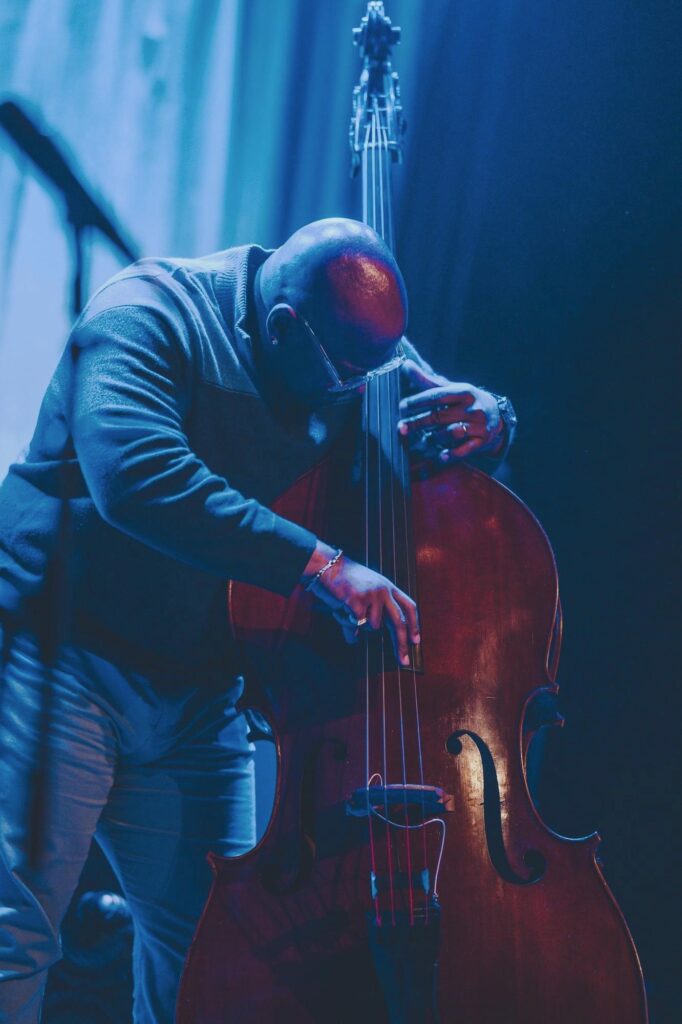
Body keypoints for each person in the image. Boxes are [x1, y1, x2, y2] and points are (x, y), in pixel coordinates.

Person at [0, 217, 515, 1023]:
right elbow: (135, 474)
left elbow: (431, 402)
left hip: (199, 695)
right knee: (16, 935)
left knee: (214, 959)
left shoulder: (353, 356)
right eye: (352, 375)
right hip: (62, 659)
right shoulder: (146, 311)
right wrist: (324, 567)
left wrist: (492, 417)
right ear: (283, 328)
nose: (369, 389)